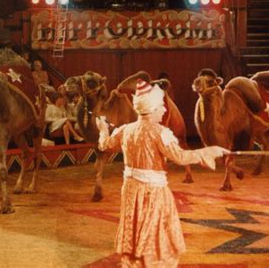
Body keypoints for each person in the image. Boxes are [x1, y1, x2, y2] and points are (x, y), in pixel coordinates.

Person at [96, 79, 228, 267]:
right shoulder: (160, 132)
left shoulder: (126, 130)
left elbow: (105, 144)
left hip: (131, 191)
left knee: (137, 230)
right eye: (161, 106)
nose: (165, 110)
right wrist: (210, 151)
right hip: (153, 193)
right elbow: (181, 157)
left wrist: (102, 130)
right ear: (152, 108)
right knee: (155, 234)